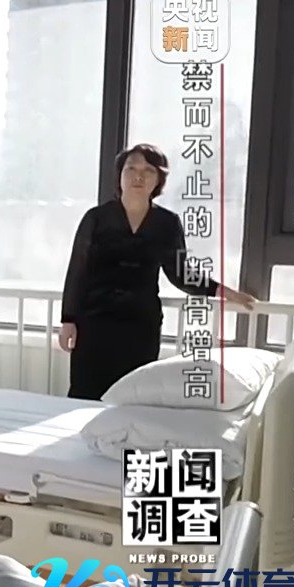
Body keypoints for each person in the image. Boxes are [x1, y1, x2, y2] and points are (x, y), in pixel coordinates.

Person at [58, 144, 257, 400]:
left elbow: (180, 273)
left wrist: (224, 291)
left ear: (159, 179)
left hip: (140, 325)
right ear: (119, 175)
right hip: (94, 323)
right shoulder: (96, 218)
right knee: (85, 393)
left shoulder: (167, 223)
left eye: (148, 171)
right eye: (131, 169)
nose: (138, 176)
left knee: (135, 398)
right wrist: (68, 319)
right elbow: (77, 271)